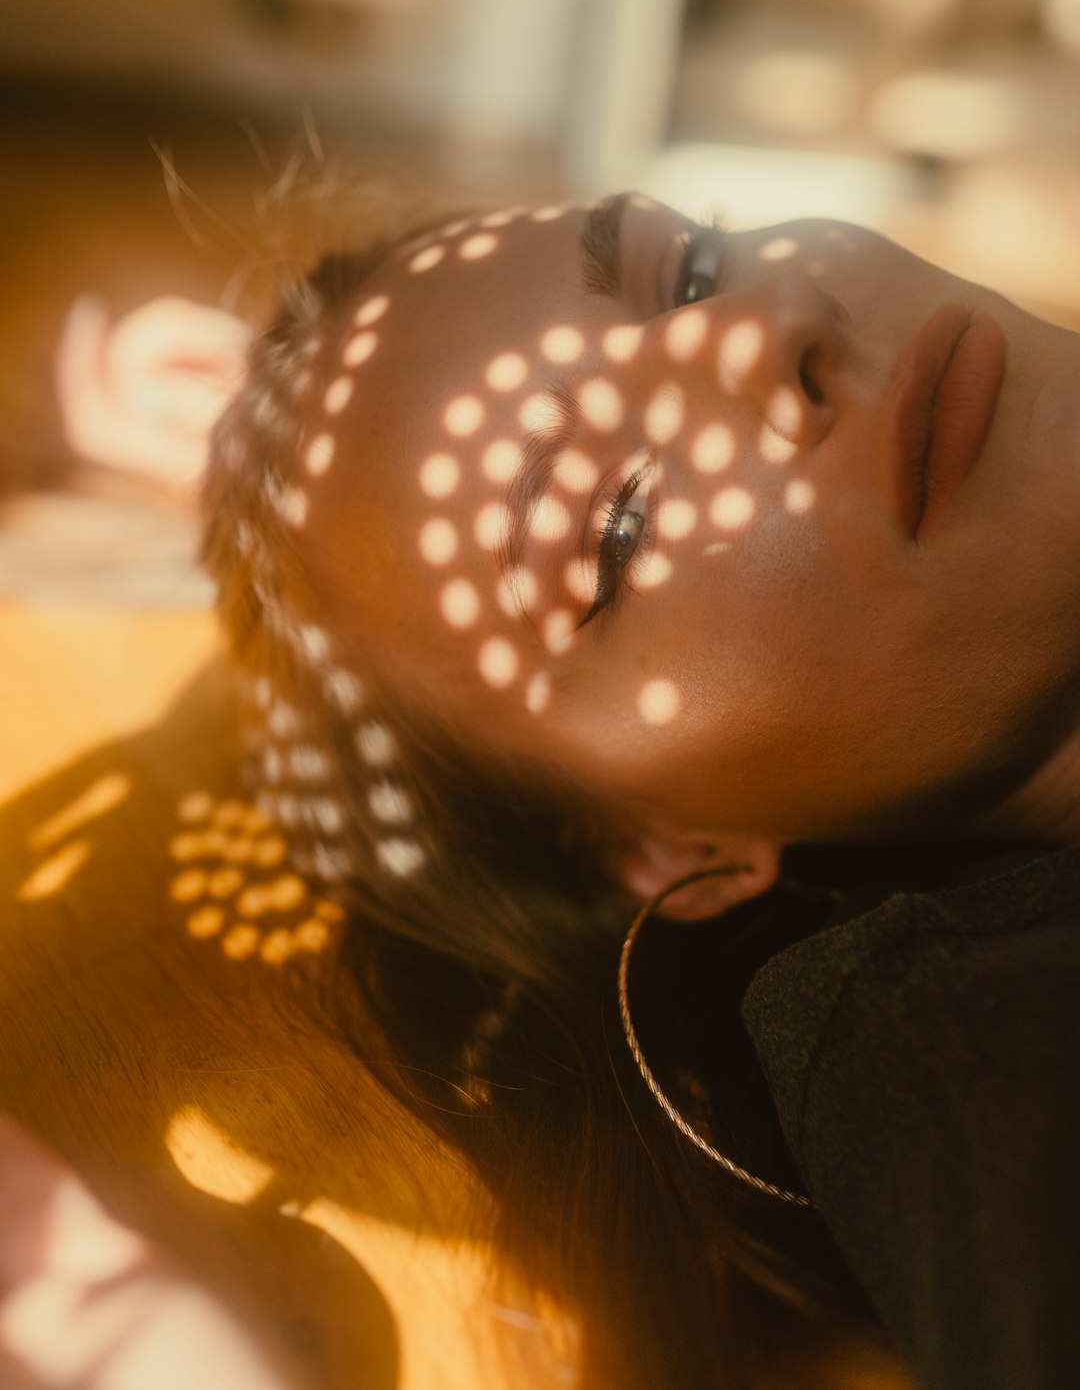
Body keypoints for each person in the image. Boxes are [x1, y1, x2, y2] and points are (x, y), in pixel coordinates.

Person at [182, 192, 1080, 1390]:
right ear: (674, 851)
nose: (767, 326)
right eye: (615, 527)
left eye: (695, 268)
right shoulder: (984, 1078)